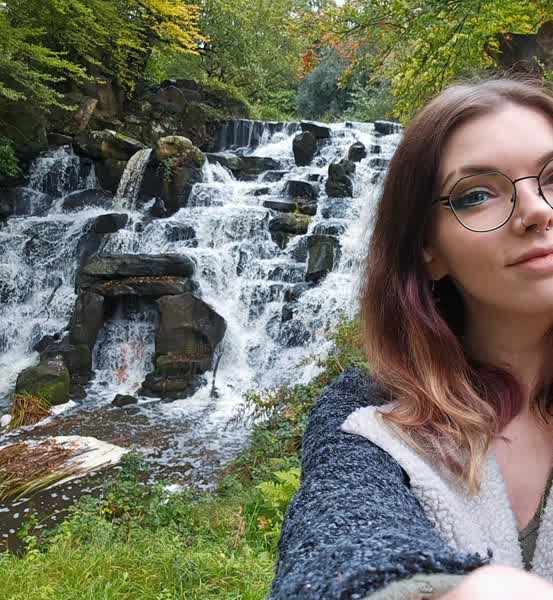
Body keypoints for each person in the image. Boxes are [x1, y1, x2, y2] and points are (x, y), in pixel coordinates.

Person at [268, 76, 553, 599]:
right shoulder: (369, 414)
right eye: (477, 194)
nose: (537, 210)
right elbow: (341, 535)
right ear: (428, 248)